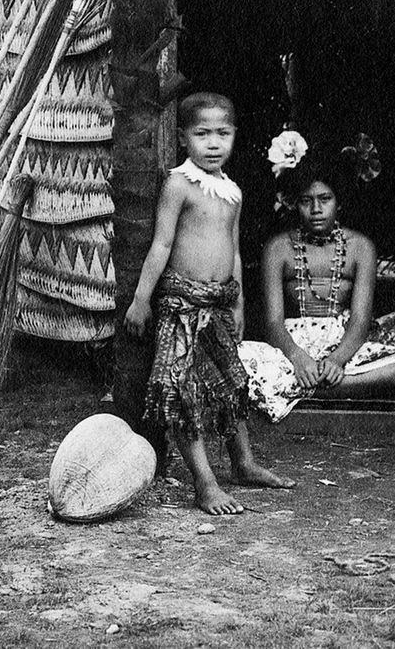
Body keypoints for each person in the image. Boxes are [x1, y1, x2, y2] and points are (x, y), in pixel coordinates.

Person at [123, 92, 294, 514]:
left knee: (233, 384)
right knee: (182, 392)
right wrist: (142, 299)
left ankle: (244, 462)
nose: (213, 143)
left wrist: (238, 304)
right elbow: (162, 244)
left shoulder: (231, 192)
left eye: (223, 133)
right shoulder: (180, 184)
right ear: (184, 138)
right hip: (181, 306)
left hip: (218, 306)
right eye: (202, 134)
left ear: (235, 135)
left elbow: (233, 251)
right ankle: (204, 481)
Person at [240, 142, 395, 421]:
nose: (316, 209)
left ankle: (300, 391)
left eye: (325, 199)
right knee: (238, 360)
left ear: (340, 201)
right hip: (290, 347)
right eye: (306, 201)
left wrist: (336, 361)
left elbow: (360, 320)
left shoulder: (360, 247)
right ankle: (325, 387)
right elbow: (272, 321)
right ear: (294, 203)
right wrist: (297, 358)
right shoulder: (278, 247)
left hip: (342, 343)